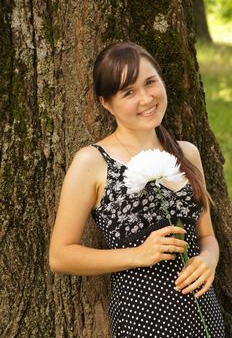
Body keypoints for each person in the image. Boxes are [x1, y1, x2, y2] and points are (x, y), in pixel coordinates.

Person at [49, 41, 225, 337]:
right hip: (143, 320)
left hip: (202, 315)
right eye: (128, 92)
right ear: (106, 103)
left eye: (150, 82)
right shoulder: (91, 162)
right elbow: (60, 256)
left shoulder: (187, 154)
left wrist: (209, 258)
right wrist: (139, 254)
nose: (146, 99)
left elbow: (206, 236)